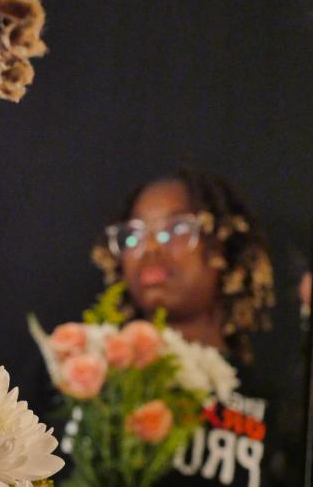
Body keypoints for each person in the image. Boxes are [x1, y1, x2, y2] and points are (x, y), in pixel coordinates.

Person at [93, 169, 280, 487]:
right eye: (133, 235)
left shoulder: (272, 412)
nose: (151, 246)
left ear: (222, 246)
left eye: (176, 229)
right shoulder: (93, 375)